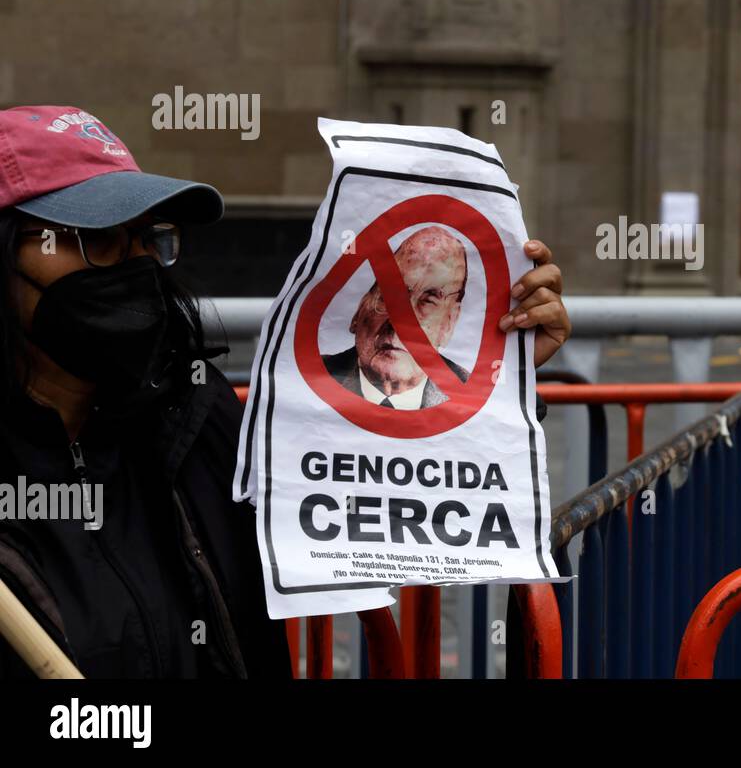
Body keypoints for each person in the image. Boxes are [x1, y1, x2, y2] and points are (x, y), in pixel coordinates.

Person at [0, 105, 572, 678]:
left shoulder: (194, 414)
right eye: (98, 239)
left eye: (147, 238)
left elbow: (372, 504)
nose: (136, 264)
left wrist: (496, 387)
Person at [324, 225, 470, 410]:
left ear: (449, 324)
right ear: (360, 311)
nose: (400, 322)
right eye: (391, 294)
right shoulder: (303, 378)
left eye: (428, 301)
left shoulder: (475, 394)